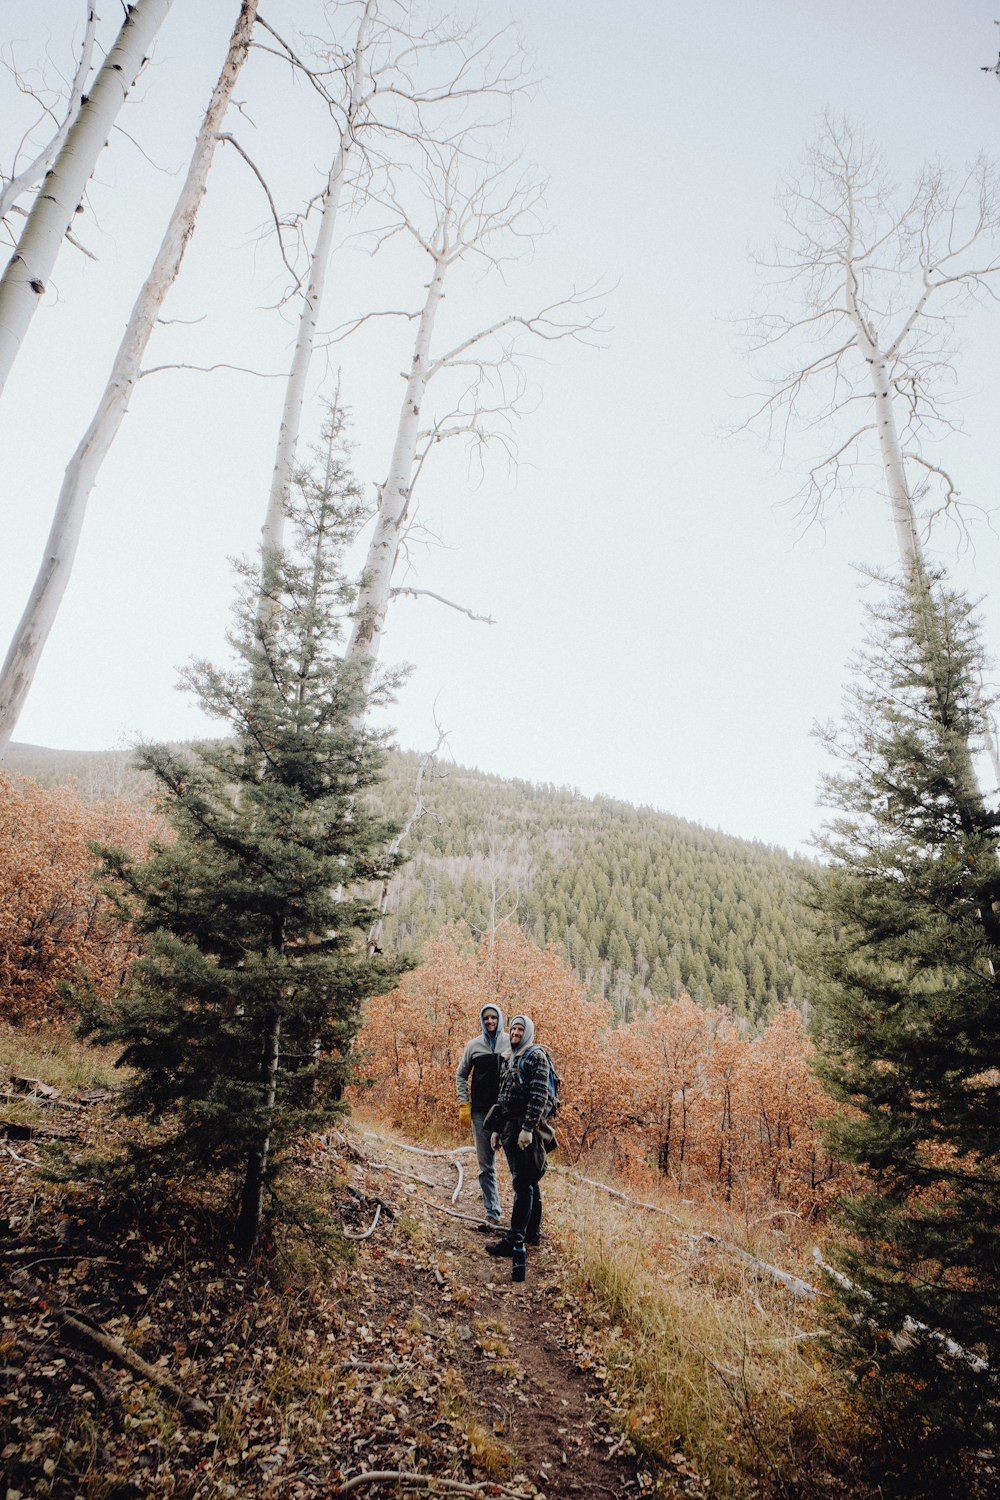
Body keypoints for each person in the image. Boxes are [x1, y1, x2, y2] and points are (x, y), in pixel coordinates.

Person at [483, 1013, 553, 1258]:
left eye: (520, 1030)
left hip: (525, 1129)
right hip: (510, 1127)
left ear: (529, 1032)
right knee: (529, 1181)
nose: (515, 1034)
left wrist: (527, 1129)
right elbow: (503, 1098)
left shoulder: (536, 1057)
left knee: (522, 1183)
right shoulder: (512, 1057)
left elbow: (539, 1094)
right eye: (513, 1030)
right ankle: (531, 1233)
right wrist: (496, 1129)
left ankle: (515, 1239)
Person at [455, 1004, 511, 1228]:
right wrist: (464, 1104)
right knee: (486, 1165)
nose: (490, 1021)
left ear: (499, 1019)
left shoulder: (510, 1042)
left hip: (506, 1113)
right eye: (486, 1018)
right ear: (481, 1020)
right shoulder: (473, 1046)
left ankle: (520, 1220)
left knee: (516, 1165)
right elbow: (461, 1074)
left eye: (493, 1017)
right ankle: (493, 1213)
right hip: (480, 1113)